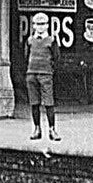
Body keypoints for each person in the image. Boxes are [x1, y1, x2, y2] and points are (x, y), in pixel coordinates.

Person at [25, 12, 61, 140]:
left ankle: (52, 129)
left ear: (47, 26)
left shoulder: (51, 40)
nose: (40, 27)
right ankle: (36, 129)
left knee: (48, 103)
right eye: (37, 24)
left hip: (46, 75)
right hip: (32, 74)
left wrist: (50, 70)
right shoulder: (29, 40)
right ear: (33, 26)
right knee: (34, 103)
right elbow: (26, 56)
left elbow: (56, 58)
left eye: (43, 24)